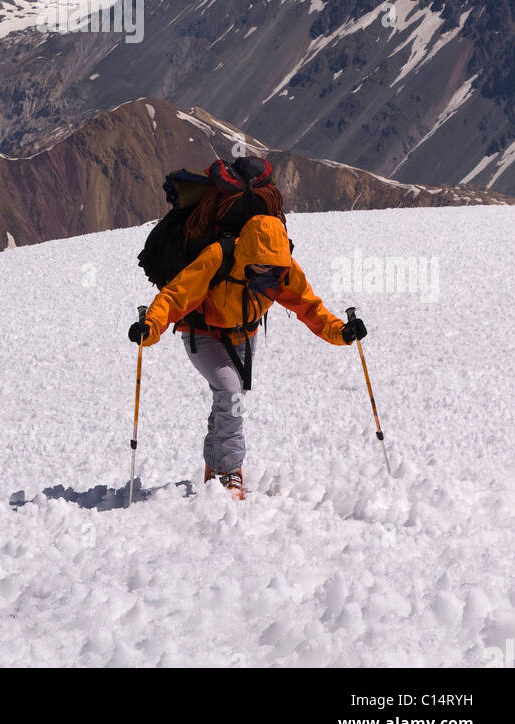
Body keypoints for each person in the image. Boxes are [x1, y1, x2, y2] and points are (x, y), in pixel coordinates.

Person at [129, 157, 366, 498]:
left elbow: (308, 307)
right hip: (203, 334)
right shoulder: (219, 255)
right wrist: (149, 328)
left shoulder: (279, 266)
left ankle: (216, 468)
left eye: (272, 271)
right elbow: (177, 295)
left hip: (245, 335)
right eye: (259, 269)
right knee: (232, 395)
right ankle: (229, 472)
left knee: (228, 399)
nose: (267, 278)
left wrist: (342, 333)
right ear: (246, 256)